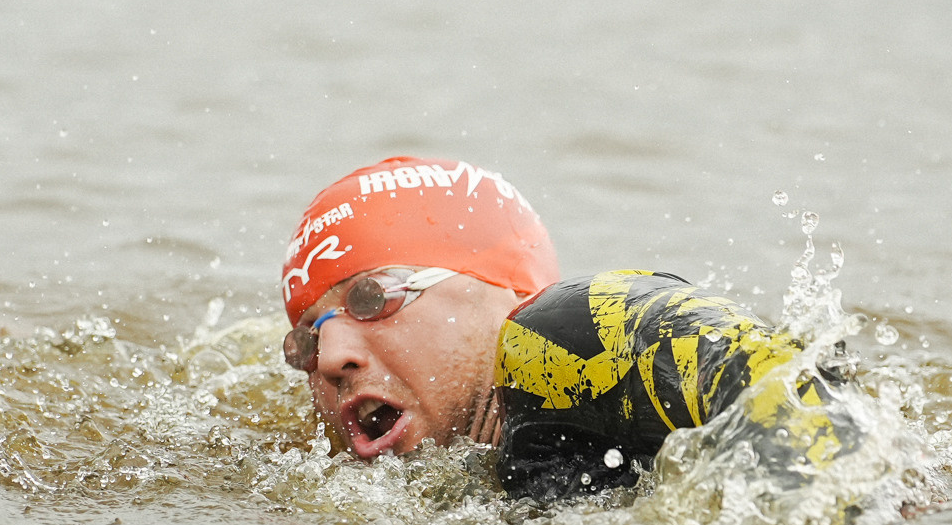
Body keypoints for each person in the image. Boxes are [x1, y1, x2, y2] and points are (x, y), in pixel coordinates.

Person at [280, 156, 860, 500]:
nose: (330, 357)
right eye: (306, 339)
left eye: (372, 297)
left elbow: (796, 389)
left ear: (502, 290)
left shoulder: (567, 333)